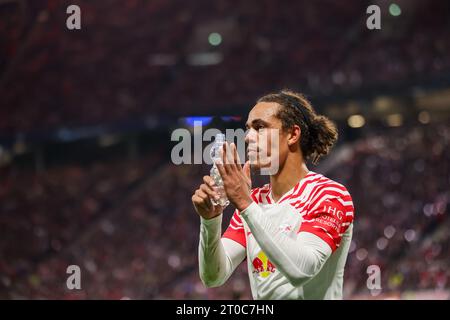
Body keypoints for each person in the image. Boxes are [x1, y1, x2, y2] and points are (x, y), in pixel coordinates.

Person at [192, 90, 354, 299]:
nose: (248, 137)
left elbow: (302, 270)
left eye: (260, 128)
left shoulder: (329, 194)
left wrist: (244, 202)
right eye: (248, 129)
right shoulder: (254, 202)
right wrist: (210, 221)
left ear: (293, 135)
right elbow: (213, 277)